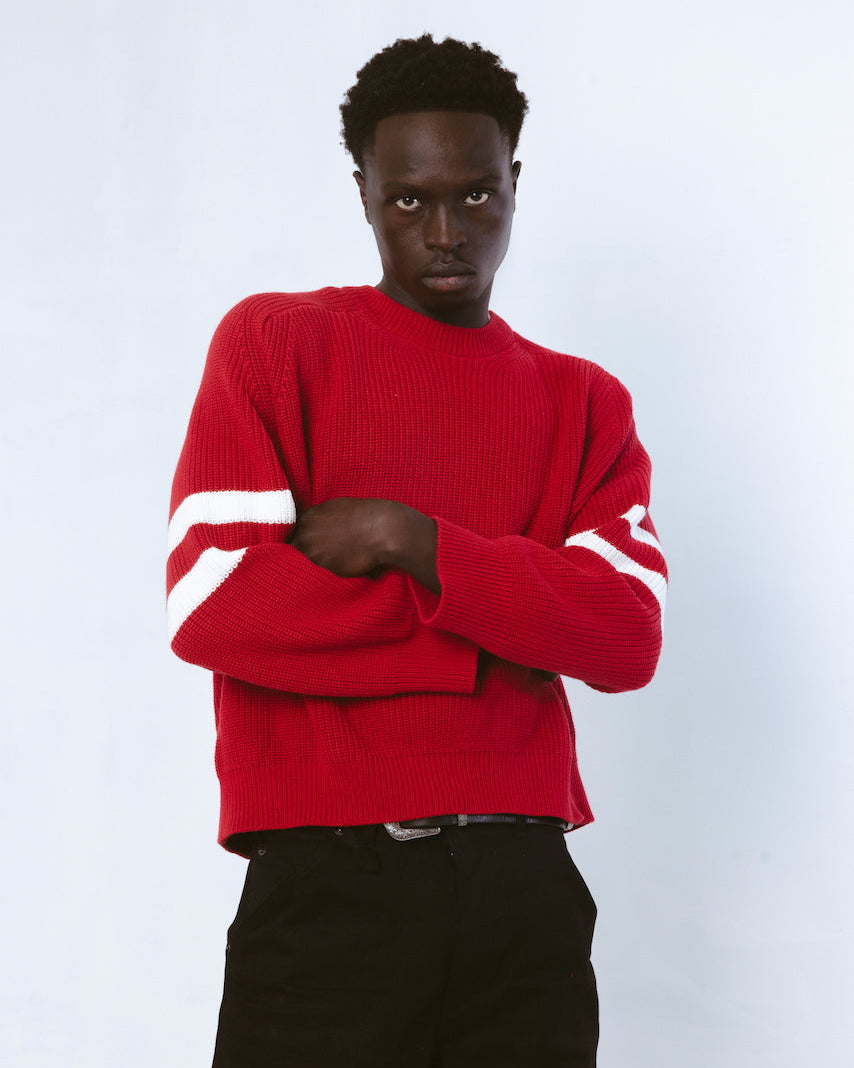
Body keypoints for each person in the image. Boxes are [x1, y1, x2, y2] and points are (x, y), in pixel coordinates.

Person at [167, 34, 667, 1068]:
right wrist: (502, 632)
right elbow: (216, 600)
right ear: (362, 192)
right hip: (329, 889)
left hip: (523, 892)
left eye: (476, 195)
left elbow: (625, 638)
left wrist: (417, 543)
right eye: (408, 200)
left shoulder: (583, 400)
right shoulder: (274, 346)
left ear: (514, 182)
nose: (446, 232)